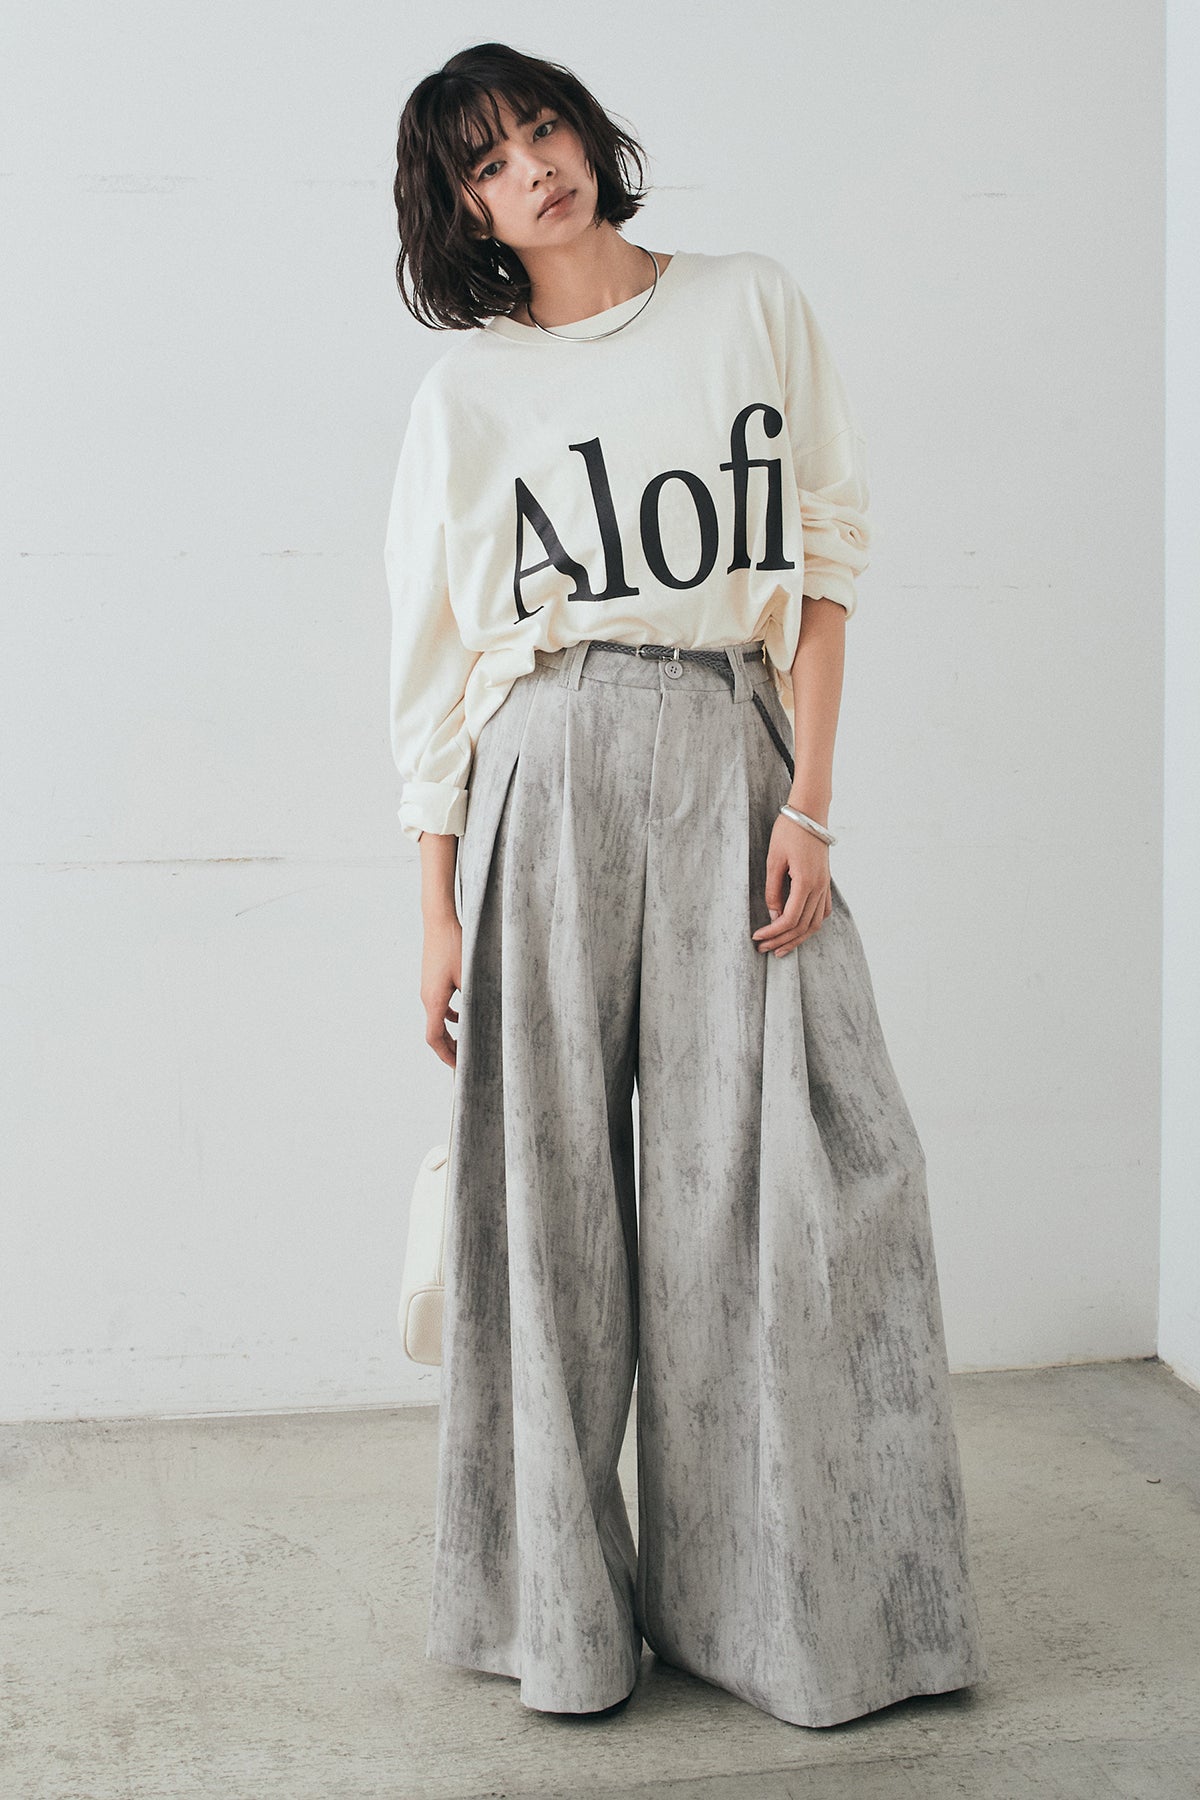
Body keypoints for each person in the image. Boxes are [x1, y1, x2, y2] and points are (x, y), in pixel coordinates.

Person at [385, 40, 990, 1728]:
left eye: (543, 130)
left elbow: (828, 559)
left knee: (794, 1186)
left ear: (588, 133)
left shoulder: (746, 304)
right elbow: (433, 664)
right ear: (464, 210)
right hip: (545, 763)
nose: (533, 170)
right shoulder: (469, 397)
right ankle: (562, 1626)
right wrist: (435, 904)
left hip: (733, 749)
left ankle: (790, 1618)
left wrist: (813, 803)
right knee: (550, 1210)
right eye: (489, 163)